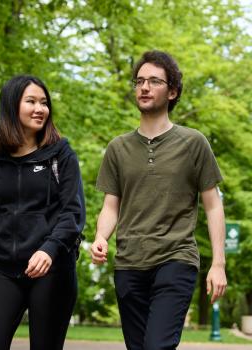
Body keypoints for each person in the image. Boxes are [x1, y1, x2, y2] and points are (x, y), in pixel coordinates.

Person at [91, 50, 227, 350]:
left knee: (157, 345)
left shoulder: (194, 143)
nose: (144, 87)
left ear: (173, 91)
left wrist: (218, 263)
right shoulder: (118, 148)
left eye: (154, 81)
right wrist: (101, 237)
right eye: (139, 80)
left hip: (176, 258)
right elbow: (111, 206)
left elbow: (213, 204)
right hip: (129, 264)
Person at [0, 75, 85, 350]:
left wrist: (49, 249)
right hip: (4, 272)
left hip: (52, 270)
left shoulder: (61, 156)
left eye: (44, 103)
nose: (40, 109)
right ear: (12, 106)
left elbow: (73, 214)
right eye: (31, 101)